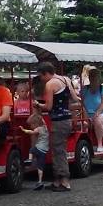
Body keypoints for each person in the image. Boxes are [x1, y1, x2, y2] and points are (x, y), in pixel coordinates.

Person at [34, 61, 75, 192]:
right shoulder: (65, 79)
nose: (41, 79)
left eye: (41, 76)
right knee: (59, 149)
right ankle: (57, 181)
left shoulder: (50, 84)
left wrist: (38, 105)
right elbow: (74, 98)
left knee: (58, 151)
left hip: (58, 121)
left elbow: (48, 106)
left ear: (46, 73)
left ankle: (64, 181)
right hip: (67, 119)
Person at [81, 68, 103, 154]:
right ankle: (85, 145)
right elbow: (81, 103)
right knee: (83, 123)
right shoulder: (85, 89)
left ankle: (100, 144)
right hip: (86, 114)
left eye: (95, 76)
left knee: (98, 120)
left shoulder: (102, 88)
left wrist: (97, 113)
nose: (93, 78)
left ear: (98, 77)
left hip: (101, 113)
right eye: (91, 76)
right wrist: (85, 114)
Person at [21, 109, 50, 190]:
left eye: (31, 125)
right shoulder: (45, 127)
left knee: (31, 150)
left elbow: (31, 132)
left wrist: (24, 130)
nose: (31, 127)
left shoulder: (38, 129)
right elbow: (42, 120)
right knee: (40, 167)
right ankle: (40, 181)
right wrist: (38, 112)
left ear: (35, 124)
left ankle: (30, 160)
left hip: (38, 148)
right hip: (44, 150)